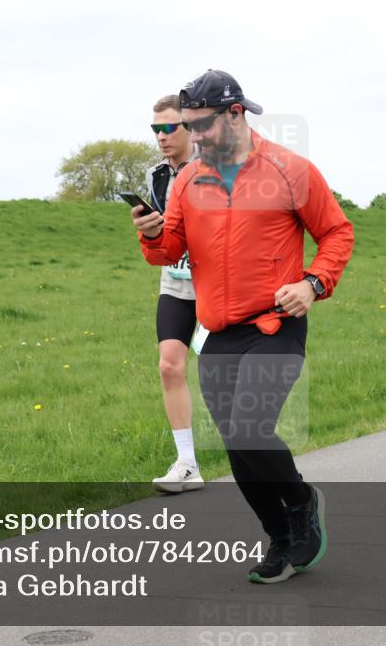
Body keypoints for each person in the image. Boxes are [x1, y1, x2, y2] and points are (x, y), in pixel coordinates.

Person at [130, 70, 354, 583]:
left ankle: (301, 504)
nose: (194, 137)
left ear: (236, 114)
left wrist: (314, 284)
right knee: (236, 448)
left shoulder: (289, 169)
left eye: (201, 125)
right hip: (218, 330)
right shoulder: (189, 179)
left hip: (275, 323)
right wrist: (150, 233)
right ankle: (279, 537)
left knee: (252, 431)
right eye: (186, 126)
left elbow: (337, 233)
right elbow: (169, 251)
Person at [146, 94, 205, 494]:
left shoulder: (212, 168)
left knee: (225, 371)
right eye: (156, 130)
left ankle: (258, 455)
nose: (162, 136)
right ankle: (187, 463)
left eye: (169, 128)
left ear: (190, 129)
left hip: (217, 283)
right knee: (170, 365)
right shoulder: (156, 175)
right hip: (176, 282)